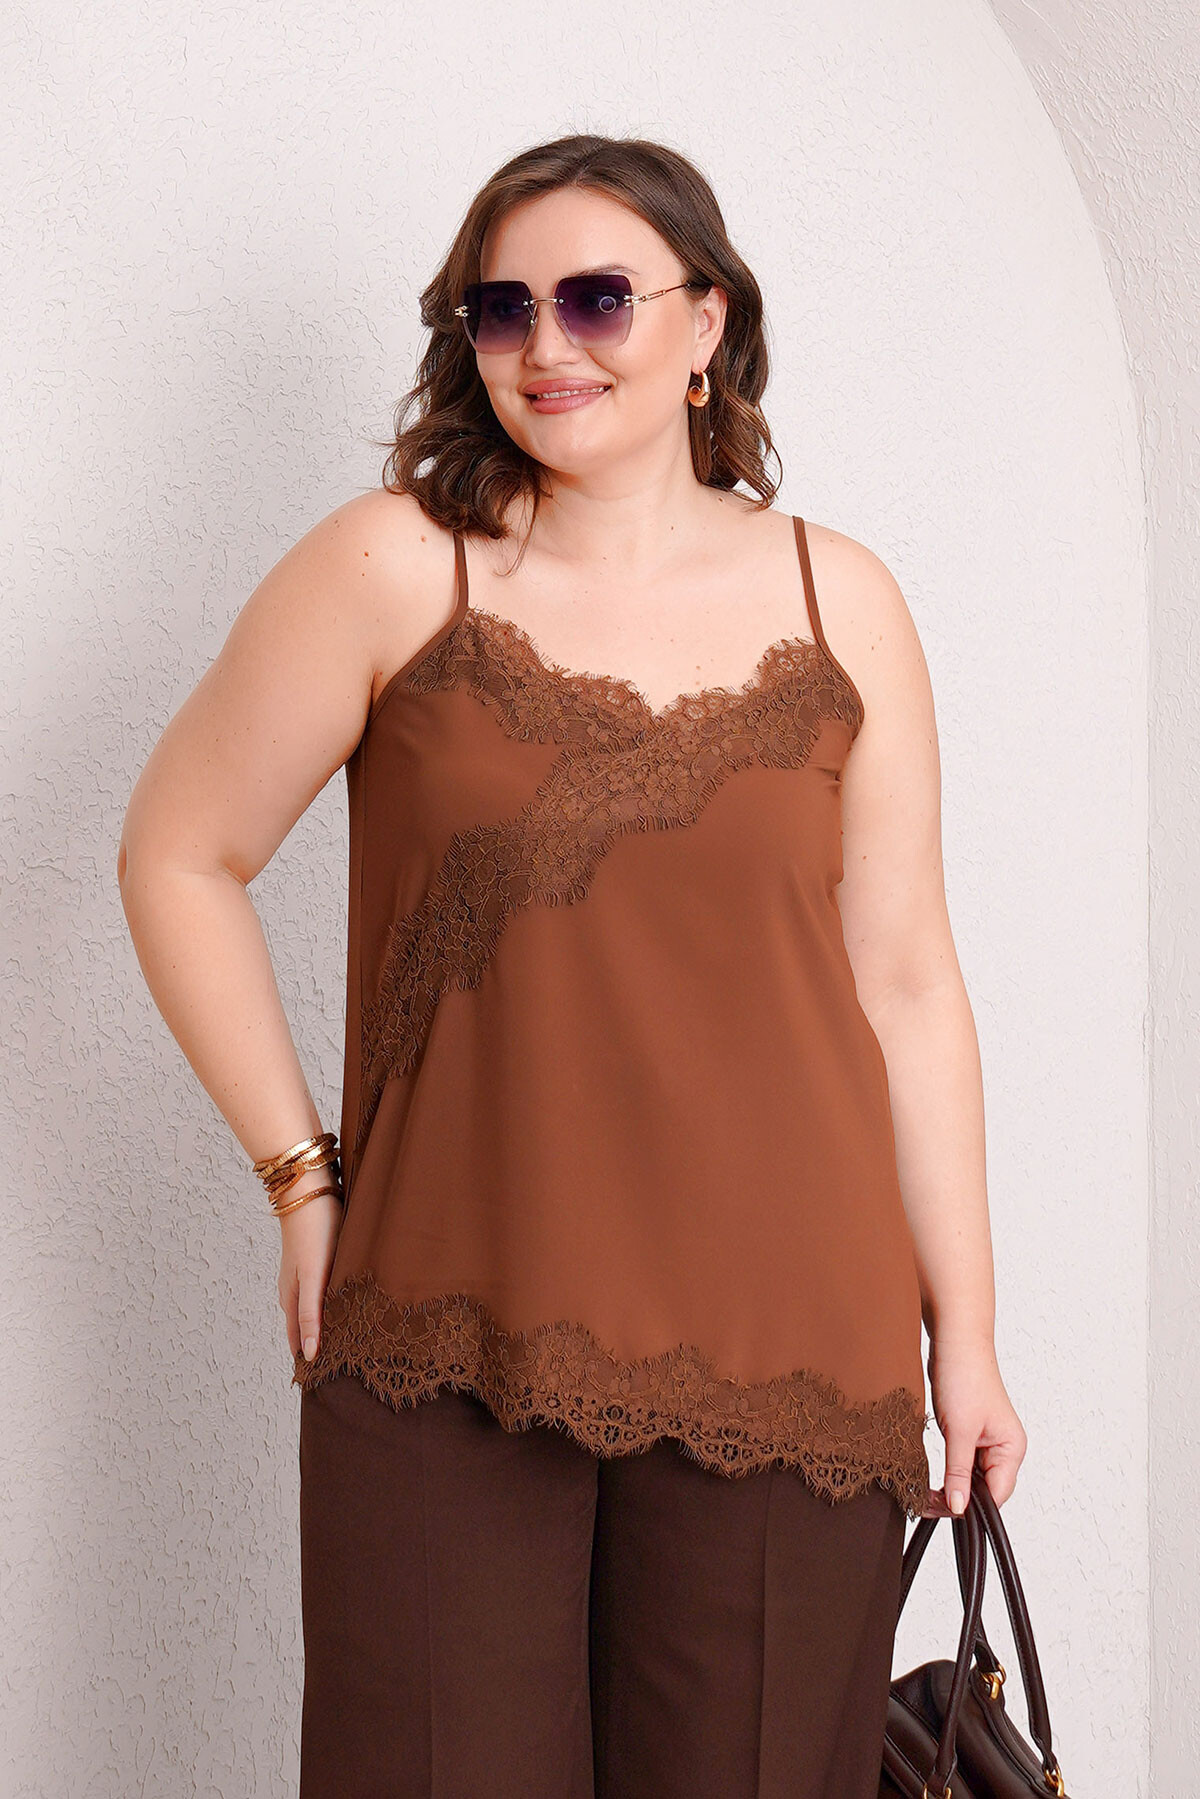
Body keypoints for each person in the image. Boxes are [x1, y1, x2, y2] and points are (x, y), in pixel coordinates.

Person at [117, 132, 1027, 1799]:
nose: (548, 343)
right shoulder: (395, 566)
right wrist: (300, 1181)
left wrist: (963, 1336)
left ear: (707, 325)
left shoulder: (843, 601)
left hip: (793, 1350)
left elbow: (906, 982)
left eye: (599, 298)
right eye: (503, 308)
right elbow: (178, 852)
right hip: (446, 1326)